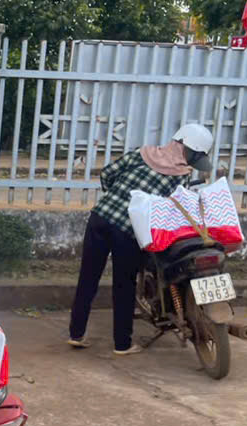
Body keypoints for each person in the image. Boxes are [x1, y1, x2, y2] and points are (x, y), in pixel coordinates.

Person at [68, 123, 214, 354]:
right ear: (187, 150)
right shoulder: (180, 177)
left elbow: (107, 174)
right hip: (128, 232)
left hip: (100, 218)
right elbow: (172, 211)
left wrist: (117, 198)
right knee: (124, 285)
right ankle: (122, 344)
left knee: (88, 277)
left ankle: (76, 334)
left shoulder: (142, 153)